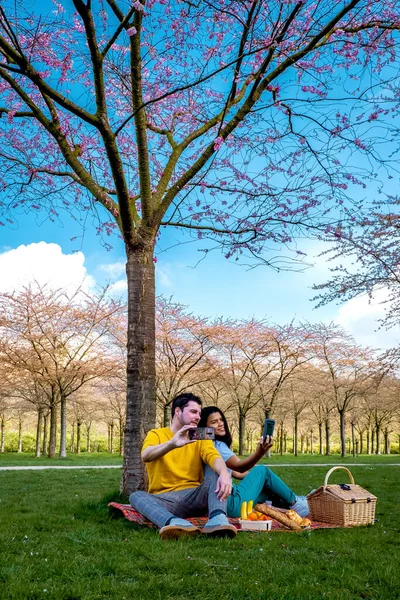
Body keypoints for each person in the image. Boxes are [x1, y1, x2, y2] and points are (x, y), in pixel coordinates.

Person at [129, 393, 237, 540]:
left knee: (216, 468)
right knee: (136, 496)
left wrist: (224, 473)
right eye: (193, 412)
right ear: (178, 411)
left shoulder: (200, 434)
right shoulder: (156, 434)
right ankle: (175, 524)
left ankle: (217, 520)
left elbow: (213, 456)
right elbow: (146, 455)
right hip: (165, 499)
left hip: (195, 496)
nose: (198, 417)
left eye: (199, 413)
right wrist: (171, 444)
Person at [198, 406, 310, 518]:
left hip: (223, 503)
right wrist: (259, 453)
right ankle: (296, 503)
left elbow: (236, 473)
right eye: (214, 422)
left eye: (221, 419)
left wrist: (260, 481)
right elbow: (239, 467)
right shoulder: (216, 445)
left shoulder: (201, 444)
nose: (221, 423)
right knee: (262, 471)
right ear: (205, 427)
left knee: (266, 488)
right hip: (230, 503)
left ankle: (294, 509)